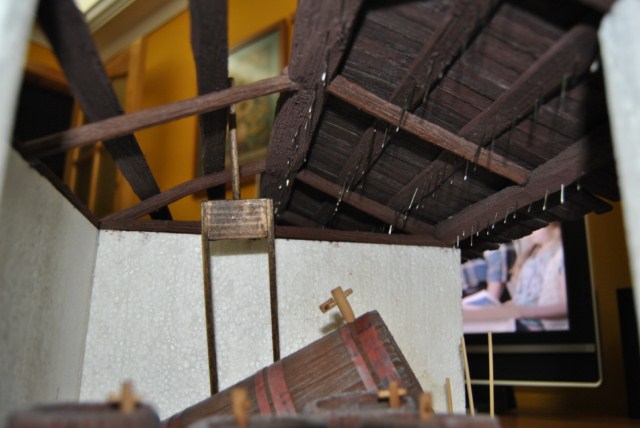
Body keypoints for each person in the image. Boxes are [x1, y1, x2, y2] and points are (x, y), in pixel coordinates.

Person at [463, 222, 569, 331]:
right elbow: (522, 299)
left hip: (530, 324)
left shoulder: (559, 256)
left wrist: (518, 311)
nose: (532, 232)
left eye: (537, 227)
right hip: (518, 318)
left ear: (553, 225)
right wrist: (502, 309)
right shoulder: (532, 253)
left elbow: (565, 306)